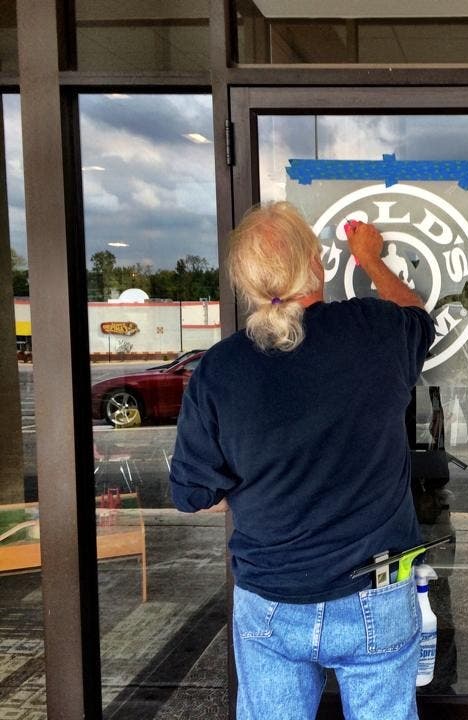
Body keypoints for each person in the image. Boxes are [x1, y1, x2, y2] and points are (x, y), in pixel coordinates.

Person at [168, 202, 433, 720]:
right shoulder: (375, 329)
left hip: (270, 598)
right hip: (374, 593)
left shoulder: (219, 369)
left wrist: (262, 482)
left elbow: (192, 495)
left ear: (247, 282)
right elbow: (417, 315)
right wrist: (371, 259)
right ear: (317, 263)